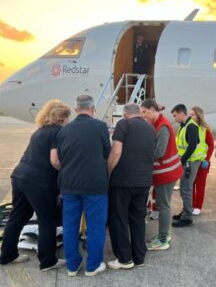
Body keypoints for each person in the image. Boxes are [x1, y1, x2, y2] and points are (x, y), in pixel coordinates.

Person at [0, 100, 70, 271]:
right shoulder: (58, 132)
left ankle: (7, 254)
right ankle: (47, 261)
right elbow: (55, 161)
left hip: (19, 176)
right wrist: (68, 168)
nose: (69, 121)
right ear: (62, 118)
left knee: (18, 216)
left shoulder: (39, 131)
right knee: (47, 220)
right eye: (68, 117)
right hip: (39, 181)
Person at [56, 95, 111, 277]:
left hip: (69, 185)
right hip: (95, 185)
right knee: (95, 226)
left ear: (75, 108)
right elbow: (106, 153)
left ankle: (72, 266)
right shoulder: (100, 127)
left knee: (70, 226)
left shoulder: (64, 130)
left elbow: (60, 158)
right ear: (93, 108)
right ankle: (93, 266)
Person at [107, 103, 156, 269]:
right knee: (138, 219)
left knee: (119, 219)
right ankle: (139, 257)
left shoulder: (123, 124)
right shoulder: (150, 128)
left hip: (123, 182)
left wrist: (108, 172)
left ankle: (124, 259)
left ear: (125, 114)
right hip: (144, 182)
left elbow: (115, 152)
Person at [141, 99, 182, 249]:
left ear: (152, 109)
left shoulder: (163, 126)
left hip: (167, 173)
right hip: (164, 172)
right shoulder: (156, 123)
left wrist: (139, 156)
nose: (143, 115)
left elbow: (160, 152)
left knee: (163, 205)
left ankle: (163, 239)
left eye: (145, 112)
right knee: (161, 205)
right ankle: (163, 234)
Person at [171, 104, 204, 227]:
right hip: (187, 161)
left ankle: (187, 217)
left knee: (186, 189)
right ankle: (186, 211)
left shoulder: (190, 126)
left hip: (190, 161)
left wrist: (182, 160)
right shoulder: (184, 126)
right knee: (184, 188)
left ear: (181, 113)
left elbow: (192, 145)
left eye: (175, 115)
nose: (174, 118)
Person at [190, 107, 214, 215]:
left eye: (193, 115)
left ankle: (197, 206)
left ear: (198, 117)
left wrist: (207, 160)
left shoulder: (205, 130)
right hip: (192, 161)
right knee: (190, 185)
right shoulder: (189, 128)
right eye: (189, 115)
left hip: (202, 163)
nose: (190, 117)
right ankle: (190, 205)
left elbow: (211, 146)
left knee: (200, 185)